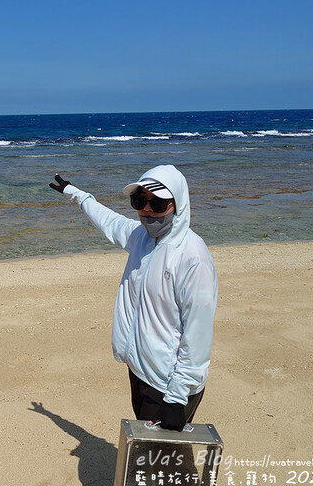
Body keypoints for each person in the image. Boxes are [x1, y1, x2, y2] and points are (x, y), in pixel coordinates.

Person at [50, 164, 217, 431]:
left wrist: (176, 399)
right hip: (141, 370)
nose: (148, 210)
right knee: (153, 455)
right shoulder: (141, 237)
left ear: (178, 204)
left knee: (162, 460)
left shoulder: (193, 259)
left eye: (159, 203)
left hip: (169, 384)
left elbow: (197, 338)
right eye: (139, 201)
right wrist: (77, 194)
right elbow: (109, 221)